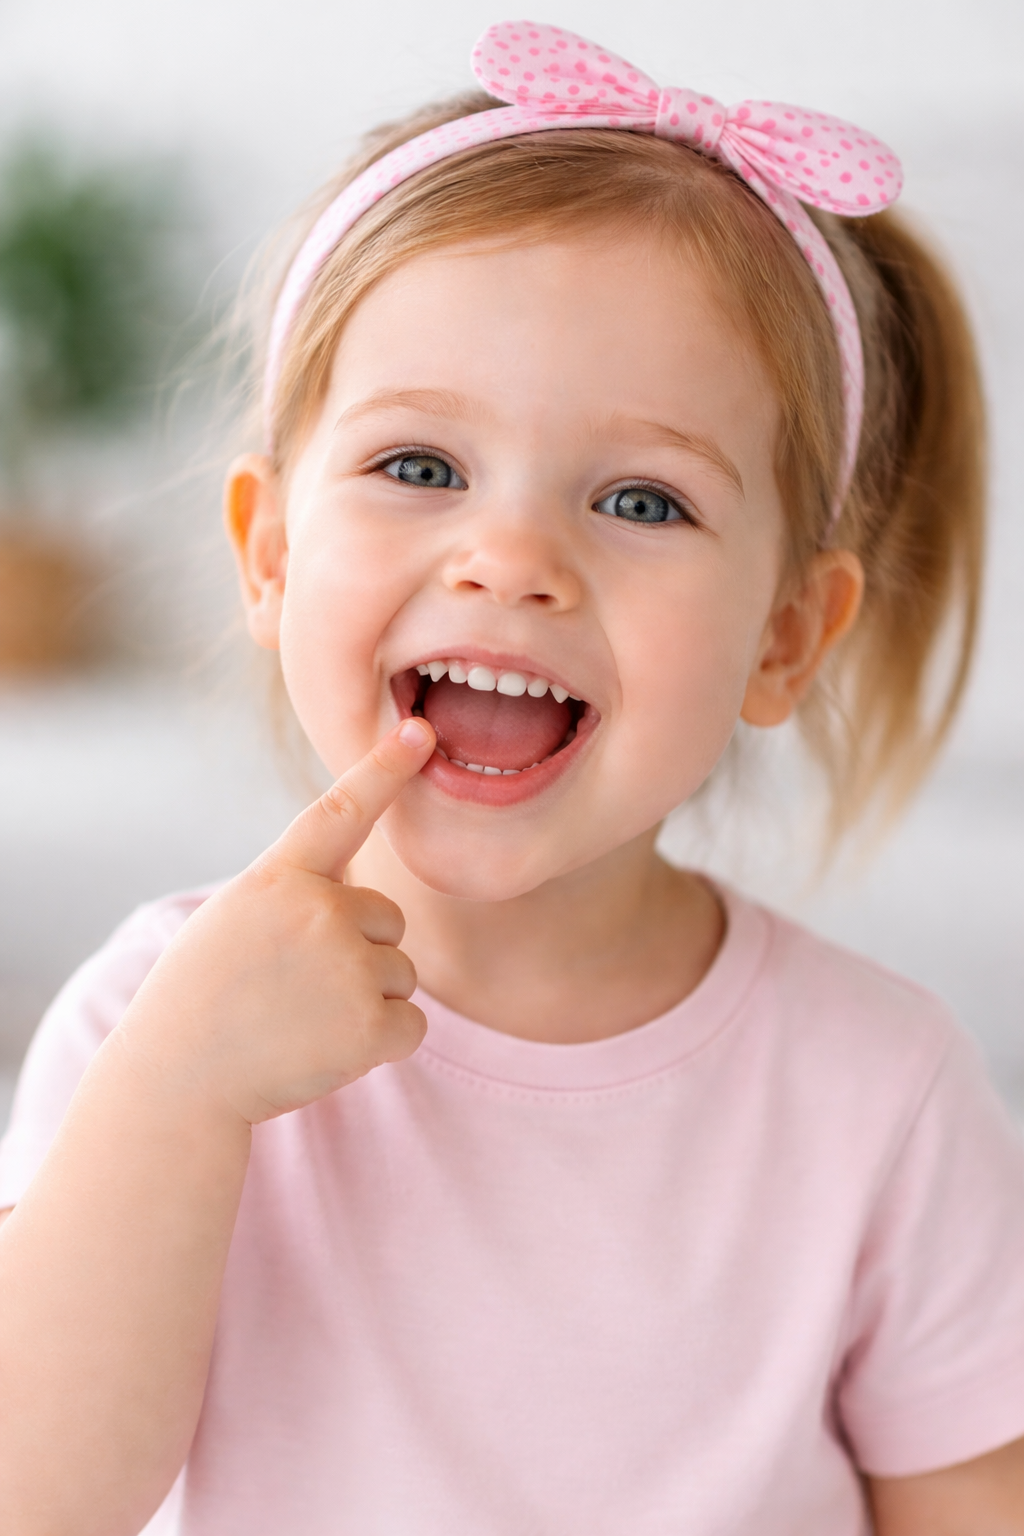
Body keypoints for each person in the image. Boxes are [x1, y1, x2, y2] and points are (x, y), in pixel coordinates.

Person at [1, 19, 1022, 1535]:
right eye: (420, 467)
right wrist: (183, 1094)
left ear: (786, 637)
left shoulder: (881, 1089)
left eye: (639, 498)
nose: (512, 562)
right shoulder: (159, 1018)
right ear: (270, 556)